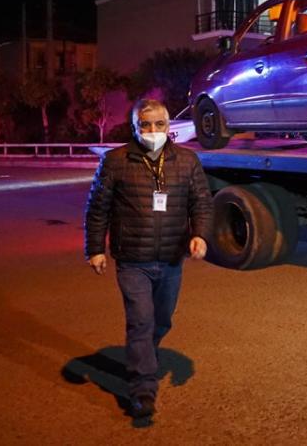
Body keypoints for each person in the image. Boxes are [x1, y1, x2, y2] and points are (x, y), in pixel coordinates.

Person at [84, 98, 213, 419]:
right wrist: (95, 249)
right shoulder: (116, 161)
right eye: (146, 124)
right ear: (135, 127)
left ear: (169, 128)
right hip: (132, 259)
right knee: (140, 320)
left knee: (162, 320)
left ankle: (145, 354)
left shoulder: (187, 161)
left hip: (171, 257)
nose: (153, 130)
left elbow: (201, 203)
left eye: (159, 124)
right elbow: (97, 208)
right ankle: (143, 388)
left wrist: (200, 235)